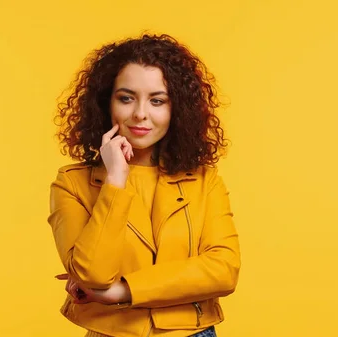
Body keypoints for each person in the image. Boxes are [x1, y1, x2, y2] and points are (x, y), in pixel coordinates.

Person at [48, 33, 240, 337]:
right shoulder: (72, 184)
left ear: (177, 109)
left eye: (157, 101)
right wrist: (115, 180)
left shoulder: (205, 182)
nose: (140, 113)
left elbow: (224, 270)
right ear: (106, 103)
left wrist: (123, 291)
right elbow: (93, 274)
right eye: (126, 98)